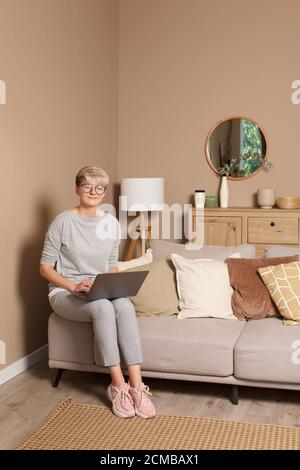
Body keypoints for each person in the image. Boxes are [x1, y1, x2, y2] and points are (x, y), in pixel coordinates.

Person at [39, 166, 155, 419]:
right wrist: (72, 285)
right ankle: (117, 386)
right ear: (78, 189)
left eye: (99, 187)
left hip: (98, 289)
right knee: (103, 308)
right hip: (65, 293)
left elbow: (111, 265)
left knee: (124, 305)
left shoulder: (111, 223)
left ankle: (137, 386)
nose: (94, 191)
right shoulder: (62, 222)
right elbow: (45, 268)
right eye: (88, 186)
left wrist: (112, 286)